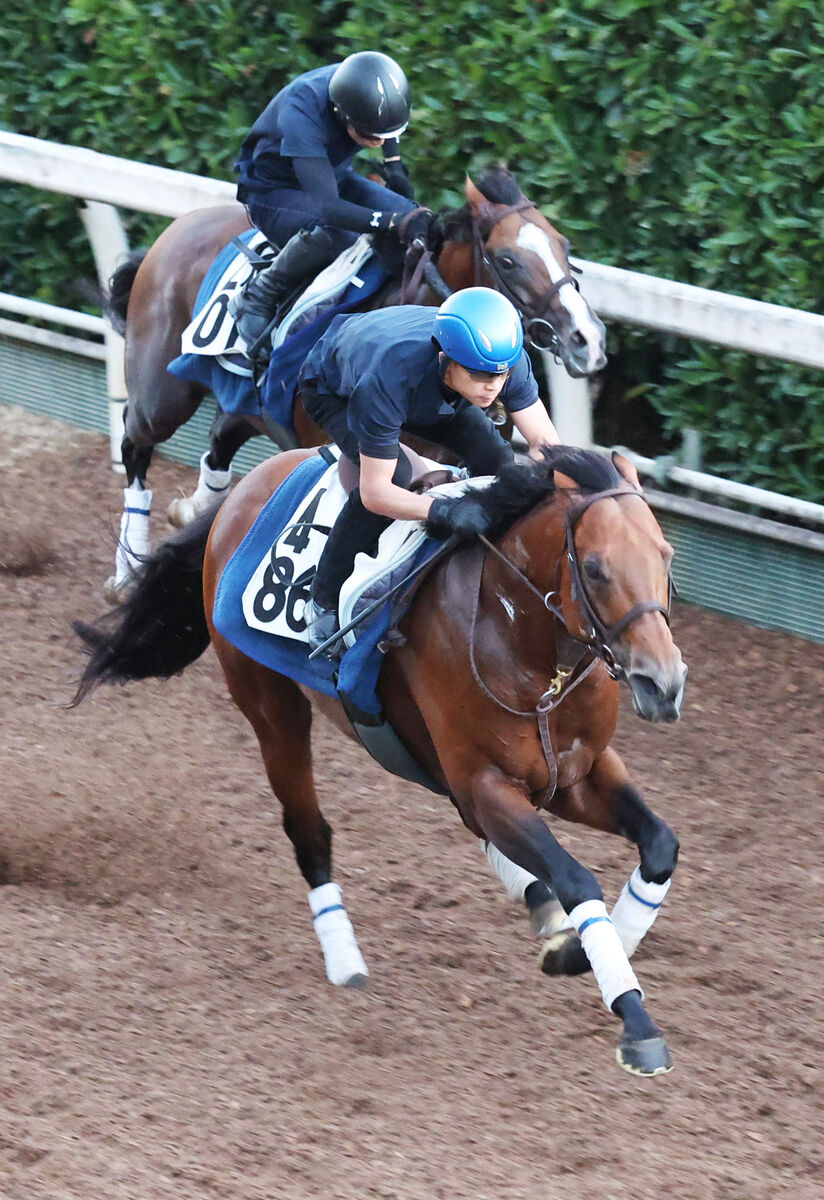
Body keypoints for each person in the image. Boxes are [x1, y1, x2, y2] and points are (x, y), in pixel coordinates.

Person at [297, 287, 561, 653]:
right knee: (398, 476)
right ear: (445, 359)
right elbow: (377, 493)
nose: (493, 387)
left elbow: (546, 447)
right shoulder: (390, 374)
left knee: (498, 463)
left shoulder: (502, 362)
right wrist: (444, 510)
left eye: (501, 376)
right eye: (481, 375)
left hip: (436, 393)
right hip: (336, 389)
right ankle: (323, 600)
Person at [231, 51, 434, 356]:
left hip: (332, 175)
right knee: (340, 233)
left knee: (415, 214)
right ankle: (259, 294)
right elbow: (331, 209)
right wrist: (393, 222)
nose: (379, 142)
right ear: (341, 112)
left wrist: (394, 167)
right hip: (274, 191)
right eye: (370, 135)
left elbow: (386, 124)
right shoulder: (302, 108)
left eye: (387, 135)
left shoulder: (364, 81)